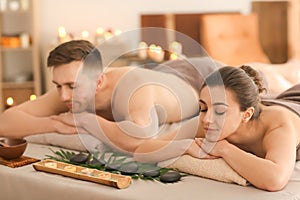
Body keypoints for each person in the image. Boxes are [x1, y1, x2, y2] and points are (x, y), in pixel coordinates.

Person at [0, 39, 213, 155]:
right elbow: (5, 122)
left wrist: (86, 120)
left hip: (200, 76)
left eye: (72, 86)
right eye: (58, 85)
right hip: (165, 72)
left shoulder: (133, 88)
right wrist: (54, 125)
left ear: (99, 82)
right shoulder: (71, 90)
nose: (64, 95)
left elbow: (142, 139)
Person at [136, 65, 300, 191]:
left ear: (246, 114)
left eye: (220, 111)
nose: (207, 119)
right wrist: (186, 146)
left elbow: (275, 179)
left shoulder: (279, 125)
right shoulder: (209, 121)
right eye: (203, 108)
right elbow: (142, 151)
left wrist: (224, 149)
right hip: (277, 100)